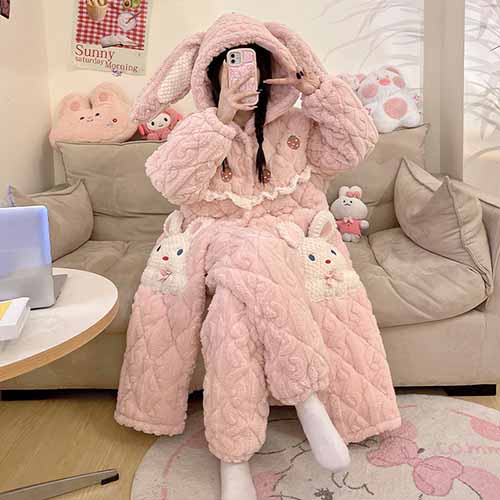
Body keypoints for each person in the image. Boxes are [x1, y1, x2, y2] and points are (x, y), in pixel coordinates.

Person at [115, 13, 400, 500]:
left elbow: (356, 144)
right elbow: (170, 183)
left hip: (286, 237)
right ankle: (306, 398)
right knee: (245, 249)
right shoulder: (201, 128)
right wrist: (221, 118)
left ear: (271, 67)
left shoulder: (298, 124)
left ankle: (234, 458)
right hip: (217, 236)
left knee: (231, 311)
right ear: (211, 74)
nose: (242, 72)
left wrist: (318, 90)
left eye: (251, 62)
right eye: (229, 63)